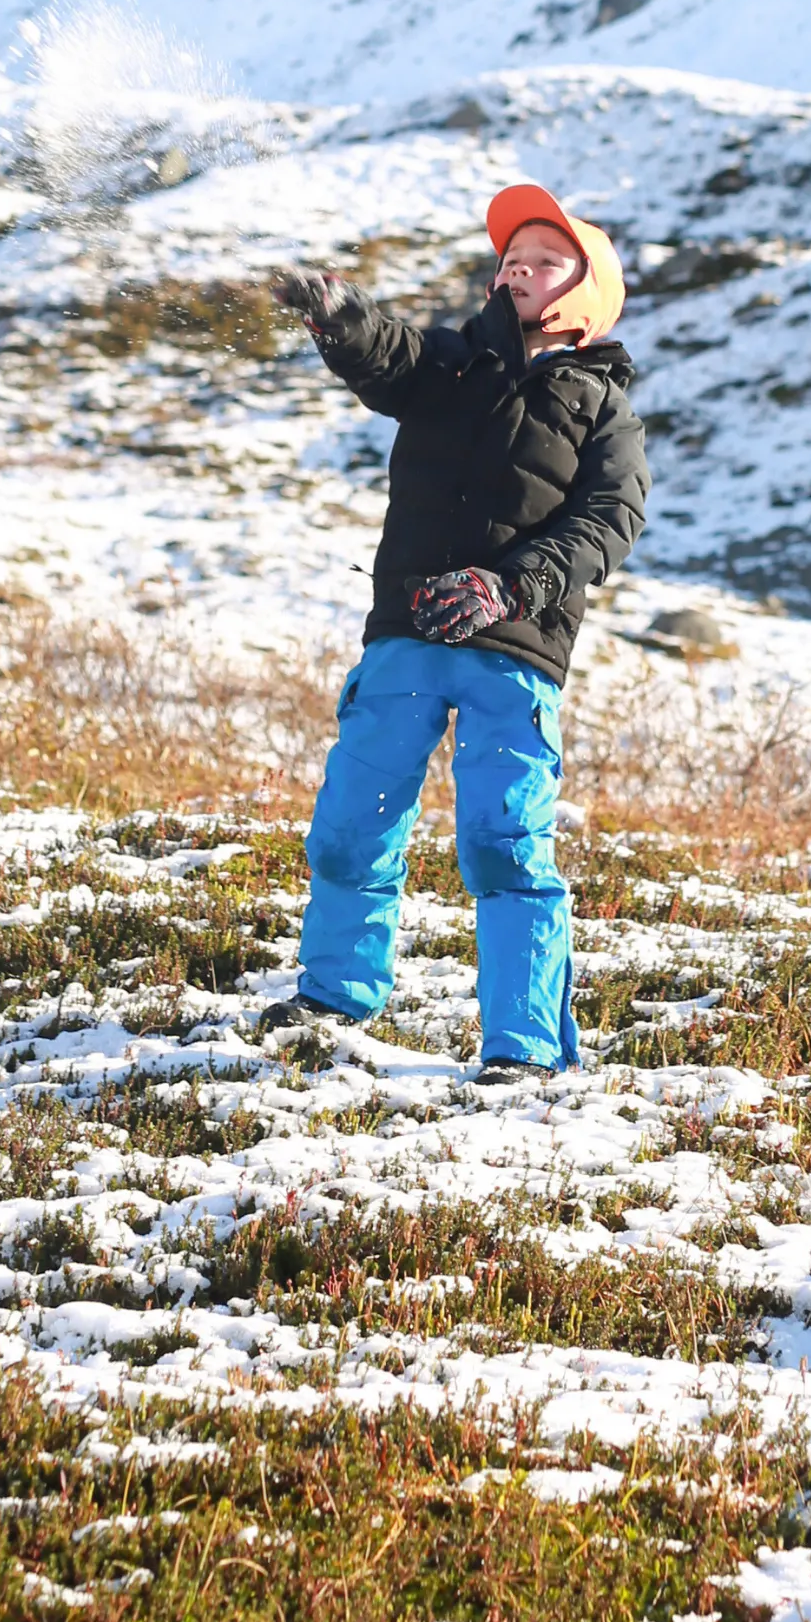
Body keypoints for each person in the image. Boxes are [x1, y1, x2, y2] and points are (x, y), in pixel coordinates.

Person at [264, 183, 647, 1080]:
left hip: (515, 653)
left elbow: (608, 523)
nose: (519, 270)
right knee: (353, 824)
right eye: (511, 259)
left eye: (545, 261)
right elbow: (387, 353)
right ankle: (333, 998)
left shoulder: (604, 411)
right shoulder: (453, 364)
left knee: (503, 844)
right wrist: (340, 313)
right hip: (405, 635)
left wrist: (508, 586)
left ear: (586, 294)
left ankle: (524, 1048)